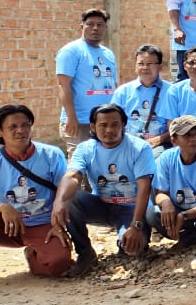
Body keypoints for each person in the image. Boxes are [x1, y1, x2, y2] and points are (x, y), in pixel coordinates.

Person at [52, 104, 155, 276]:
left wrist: (136, 225)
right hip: (102, 205)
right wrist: (59, 200)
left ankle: (129, 239)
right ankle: (85, 253)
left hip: (132, 209)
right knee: (70, 200)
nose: (109, 130)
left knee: (132, 250)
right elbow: (72, 176)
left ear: (123, 125)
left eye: (115, 124)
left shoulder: (139, 148)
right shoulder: (85, 149)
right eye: (103, 125)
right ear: (93, 127)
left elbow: (145, 187)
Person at [0, 105, 73, 278]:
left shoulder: (51, 155)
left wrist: (59, 225)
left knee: (59, 264)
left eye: (25, 125)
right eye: (12, 127)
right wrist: (2, 207)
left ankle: (33, 255)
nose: (20, 131)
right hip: (5, 225)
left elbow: (64, 193)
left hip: (43, 223)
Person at [148, 116, 196, 248]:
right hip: (180, 209)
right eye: (187, 135)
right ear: (174, 140)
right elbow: (160, 192)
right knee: (153, 213)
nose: (194, 139)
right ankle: (188, 236)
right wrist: (166, 202)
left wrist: (186, 215)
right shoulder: (167, 158)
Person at [57, 8, 118, 154]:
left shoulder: (108, 54)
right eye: (90, 24)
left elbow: (114, 86)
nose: (95, 28)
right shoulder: (71, 51)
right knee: (80, 162)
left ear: (105, 27)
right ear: (82, 26)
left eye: (100, 24)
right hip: (81, 121)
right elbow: (63, 86)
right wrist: (71, 117)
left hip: (105, 121)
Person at [112, 44, 172, 150]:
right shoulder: (122, 92)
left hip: (159, 145)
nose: (145, 67)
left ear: (160, 66)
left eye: (150, 64)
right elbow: (113, 121)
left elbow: (178, 127)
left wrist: (160, 139)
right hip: (127, 145)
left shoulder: (172, 91)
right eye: (141, 63)